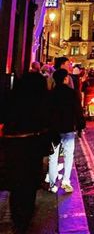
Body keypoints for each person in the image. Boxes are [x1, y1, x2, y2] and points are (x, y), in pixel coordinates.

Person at [1, 72, 51, 232]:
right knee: (28, 186)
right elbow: (48, 124)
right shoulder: (41, 101)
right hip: (32, 147)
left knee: (16, 186)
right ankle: (24, 220)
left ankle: (17, 219)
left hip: (12, 146)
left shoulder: (10, 99)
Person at [48, 69, 85, 194]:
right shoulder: (72, 93)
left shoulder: (51, 94)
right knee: (69, 156)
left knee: (53, 157)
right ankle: (66, 181)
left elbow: (47, 113)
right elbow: (78, 111)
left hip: (54, 129)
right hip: (68, 128)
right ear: (65, 79)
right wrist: (80, 127)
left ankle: (52, 184)